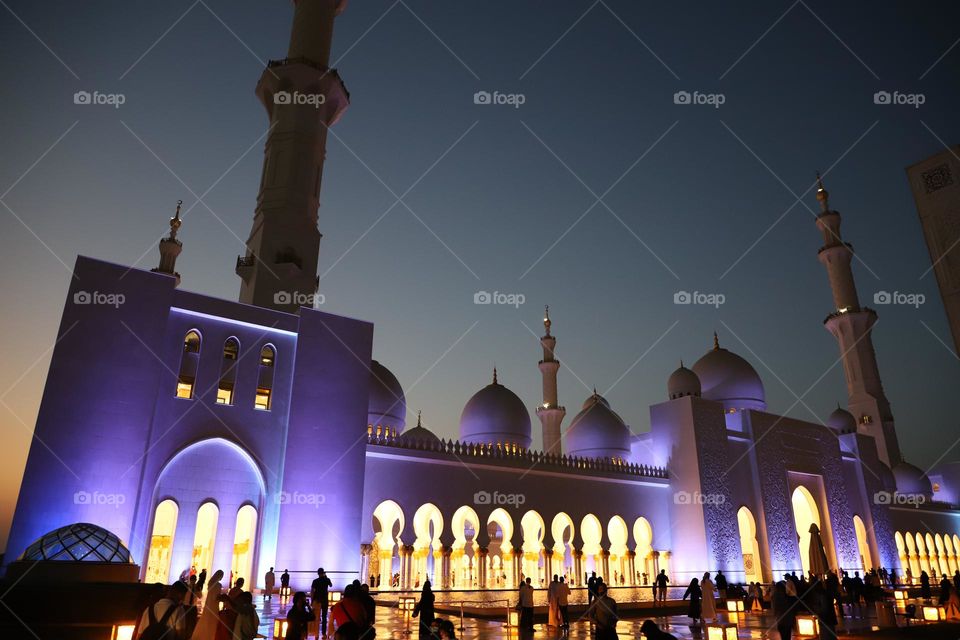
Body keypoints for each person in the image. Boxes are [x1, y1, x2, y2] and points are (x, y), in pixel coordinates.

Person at [191, 569, 223, 640]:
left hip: (209, 604)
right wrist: (223, 598)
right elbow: (215, 597)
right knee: (213, 620)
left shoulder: (210, 584)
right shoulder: (218, 585)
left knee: (206, 618)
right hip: (214, 605)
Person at [311, 568, 334, 637]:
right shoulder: (327, 580)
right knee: (324, 617)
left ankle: (316, 634)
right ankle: (324, 633)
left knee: (317, 617)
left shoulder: (315, 581)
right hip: (324, 600)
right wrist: (326, 577)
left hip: (317, 600)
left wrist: (312, 601)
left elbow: (312, 591)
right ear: (323, 573)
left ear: (318, 573)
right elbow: (331, 585)